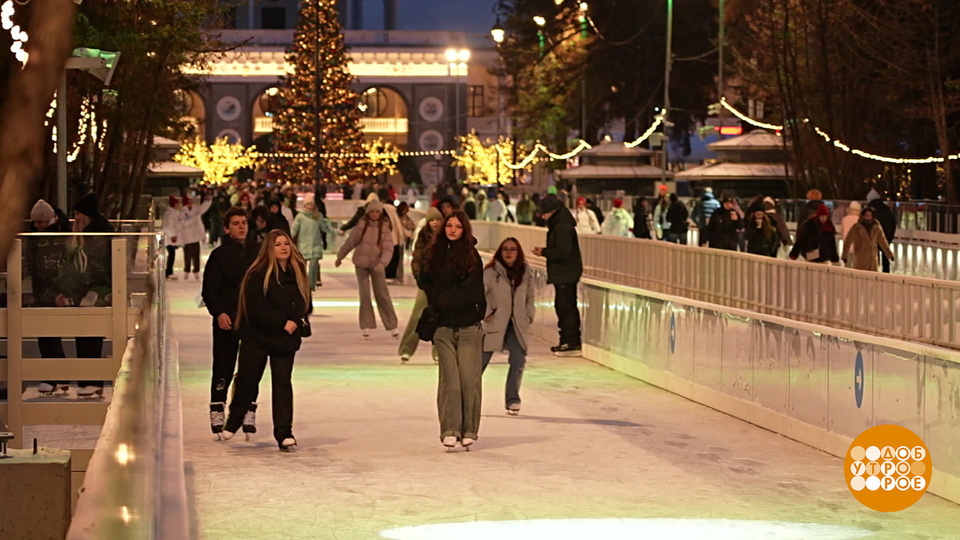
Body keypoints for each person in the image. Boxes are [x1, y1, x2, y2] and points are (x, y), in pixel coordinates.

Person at [223, 230, 311, 451]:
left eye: (286, 244)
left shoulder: (297, 272)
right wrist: (282, 321)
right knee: (247, 380)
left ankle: (284, 433)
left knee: (282, 385)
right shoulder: (257, 274)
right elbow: (256, 307)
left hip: (285, 340)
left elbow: (304, 301)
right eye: (277, 245)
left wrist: (294, 320)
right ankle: (234, 420)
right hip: (258, 337)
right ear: (269, 250)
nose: (283, 248)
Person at [417, 211, 486, 449]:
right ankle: (450, 428)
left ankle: (469, 429)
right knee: (450, 382)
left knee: (469, 381)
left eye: (457, 226)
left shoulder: (472, 256)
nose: (452, 230)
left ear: (464, 230)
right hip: (443, 327)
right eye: (449, 226)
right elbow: (425, 281)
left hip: (468, 327)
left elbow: (473, 291)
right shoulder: (433, 255)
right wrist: (439, 303)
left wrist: (443, 300)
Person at [201, 207, 259, 438]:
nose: (241, 226)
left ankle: (247, 407)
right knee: (224, 365)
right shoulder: (219, 255)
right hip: (227, 319)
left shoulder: (258, 252)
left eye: (244, 222)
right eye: (236, 223)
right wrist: (219, 312)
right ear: (226, 228)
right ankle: (218, 406)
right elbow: (210, 290)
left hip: (254, 321)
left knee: (250, 367)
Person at [67, 193, 116, 398]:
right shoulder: (86, 233)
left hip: (97, 290)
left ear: (86, 215)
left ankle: (92, 381)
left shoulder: (97, 235)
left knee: (91, 335)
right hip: (85, 290)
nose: (75, 218)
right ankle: (87, 381)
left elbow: (96, 266)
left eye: (78, 213)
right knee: (84, 334)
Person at [481, 238, 535, 416]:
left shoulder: (526, 273)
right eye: (505, 249)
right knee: (478, 363)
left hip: (517, 324)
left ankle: (512, 399)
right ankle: (467, 398)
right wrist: (487, 312)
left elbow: (530, 296)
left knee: (518, 359)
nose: (509, 252)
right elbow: (480, 293)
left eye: (513, 249)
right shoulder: (490, 272)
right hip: (495, 323)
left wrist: (528, 315)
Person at [335, 198, 399, 338]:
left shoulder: (385, 228)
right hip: (361, 264)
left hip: (378, 266)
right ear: (368, 212)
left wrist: (383, 263)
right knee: (364, 295)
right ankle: (366, 324)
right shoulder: (361, 225)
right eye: (372, 211)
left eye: (377, 212)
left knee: (382, 294)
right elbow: (350, 242)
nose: (375, 214)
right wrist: (340, 256)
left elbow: (388, 249)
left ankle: (392, 324)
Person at [27, 200, 71, 396]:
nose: (39, 226)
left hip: (54, 289)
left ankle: (52, 378)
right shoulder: (37, 237)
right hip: (42, 289)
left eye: (42, 222)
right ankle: (60, 377)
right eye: (36, 223)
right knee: (48, 334)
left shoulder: (57, 237)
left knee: (48, 335)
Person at [533, 196, 582, 356]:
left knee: (565, 307)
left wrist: (544, 252)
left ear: (550, 211)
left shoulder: (561, 227)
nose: (542, 217)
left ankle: (571, 341)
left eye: (543, 213)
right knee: (564, 306)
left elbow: (563, 251)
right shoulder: (561, 225)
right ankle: (567, 340)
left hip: (565, 273)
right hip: (565, 273)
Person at [398, 207, 443, 364]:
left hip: (443, 284)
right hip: (426, 282)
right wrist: (418, 276)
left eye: (437, 220)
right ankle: (406, 349)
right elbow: (416, 258)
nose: (435, 223)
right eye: (432, 220)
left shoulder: (447, 237)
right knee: (418, 315)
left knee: (440, 317)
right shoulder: (423, 237)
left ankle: (439, 352)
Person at [291, 195, 331, 290]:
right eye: (308, 204)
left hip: (315, 245)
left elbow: (324, 227)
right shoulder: (300, 217)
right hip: (303, 245)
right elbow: (294, 230)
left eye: (311, 204)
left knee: (314, 266)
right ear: (304, 205)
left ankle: (311, 286)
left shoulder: (318, 216)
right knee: (301, 267)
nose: (310, 206)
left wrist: (337, 231)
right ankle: (302, 284)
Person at [844, 207, 895, 271]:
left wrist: (889, 255)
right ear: (863, 216)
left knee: (871, 278)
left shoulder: (877, 228)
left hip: (872, 260)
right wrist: (844, 255)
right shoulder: (856, 227)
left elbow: (883, 242)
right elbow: (848, 241)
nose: (868, 217)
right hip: (860, 259)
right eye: (866, 215)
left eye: (870, 215)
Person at [179, 195, 212, 280]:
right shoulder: (182, 213)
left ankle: (196, 271)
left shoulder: (195, 210)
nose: (190, 204)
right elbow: (184, 224)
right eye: (188, 202)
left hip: (195, 237)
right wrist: (193, 220)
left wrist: (207, 201)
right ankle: (186, 271)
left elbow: (202, 209)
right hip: (187, 238)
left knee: (196, 255)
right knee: (187, 256)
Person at [867, 195, 897, 273]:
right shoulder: (887, 211)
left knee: (874, 259)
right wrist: (890, 237)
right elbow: (893, 224)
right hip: (886, 238)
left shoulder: (872, 212)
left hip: (874, 239)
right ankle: (886, 274)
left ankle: (874, 274)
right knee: (885, 259)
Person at [162, 195, 182, 280]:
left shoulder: (171, 213)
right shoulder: (170, 214)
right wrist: (173, 235)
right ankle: (169, 272)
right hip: (169, 238)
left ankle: (169, 272)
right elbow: (169, 226)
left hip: (169, 237)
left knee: (171, 255)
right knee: (171, 255)